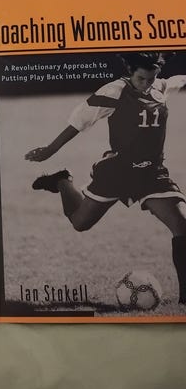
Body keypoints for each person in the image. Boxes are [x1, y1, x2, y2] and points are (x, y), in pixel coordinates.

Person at [25, 52, 186, 304]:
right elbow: (79, 120)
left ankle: (185, 297)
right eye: (142, 79)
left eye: (152, 79)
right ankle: (62, 181)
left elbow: (178, 80)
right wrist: (50, 150)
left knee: (182, 225)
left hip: (152, 173)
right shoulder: (114, 91)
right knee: (80, 223)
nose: (147, 84)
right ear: (130, 72)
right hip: (118, 172)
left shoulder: (160, 87)